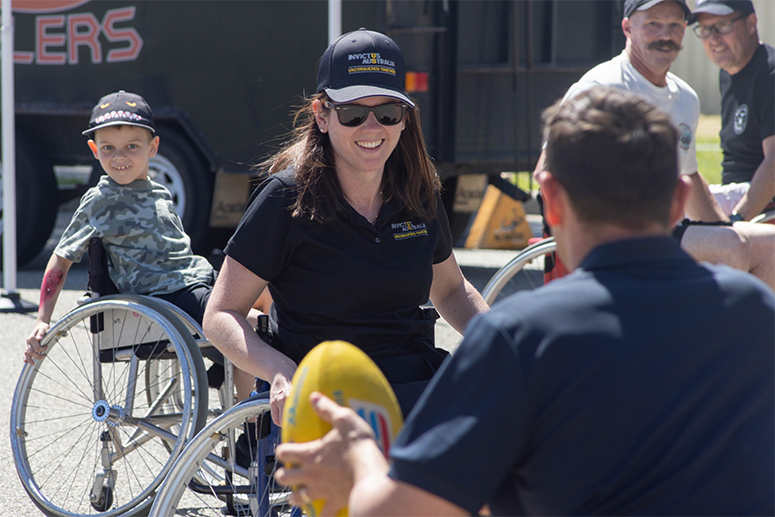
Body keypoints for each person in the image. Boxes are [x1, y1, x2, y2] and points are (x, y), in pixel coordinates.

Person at [274, 87, 775, 516]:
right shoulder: (755, 310)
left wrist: (360, 457)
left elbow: (401, 510)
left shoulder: (523, 337)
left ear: (550, 200)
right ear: (675, 201)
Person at [203, 29, 488, 427]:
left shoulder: (418, 194)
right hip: (325, 392)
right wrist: (280, 371)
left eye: (388, 112)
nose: (372, 128)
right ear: (321, 115)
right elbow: (221, 313)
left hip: (414, 382)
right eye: (353, 114)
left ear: (405, 119)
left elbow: (451, 289)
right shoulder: (285, 198)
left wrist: (502, 342)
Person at [23, 90, 260, 400]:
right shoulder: (99, 201)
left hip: (193, 279)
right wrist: (42, 320)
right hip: (165, 295)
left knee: (271, 294)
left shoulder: (160, 193)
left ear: (153, 147)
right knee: (254, 325)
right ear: (95, 150)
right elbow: (60, 260)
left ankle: (226, 374)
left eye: (132, 147)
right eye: (109, 148)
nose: (119, 157)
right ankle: (250, 435)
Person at [533, 0, 774, 289]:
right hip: (611, 235)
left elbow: (689, 177)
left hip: (661, 229)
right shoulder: (601, 87)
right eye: (653, 24)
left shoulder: (686, 97)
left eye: (674, 25)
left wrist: (725, 227)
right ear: (627, 28)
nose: (665, 35)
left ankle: (735, 332)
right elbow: (545, 172)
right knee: (737, 248)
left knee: (759, 244)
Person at [692, 0, 774, 221]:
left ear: (751, 23)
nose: (713, 38)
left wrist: (737, 220)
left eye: (723, 25)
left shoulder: (770, 73)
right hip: (736, 196)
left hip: (762, 208)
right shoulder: (728, 73)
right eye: (705, 29)